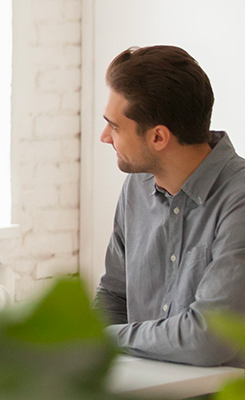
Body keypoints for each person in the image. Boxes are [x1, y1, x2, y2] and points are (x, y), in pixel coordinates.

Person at [92, 45, 245, 367]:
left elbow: (208, 340)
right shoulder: (137, 187)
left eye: (115, 126)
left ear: (159, 137)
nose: (105, 136)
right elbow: (113, 296)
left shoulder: (239, 199)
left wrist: (105, 339)